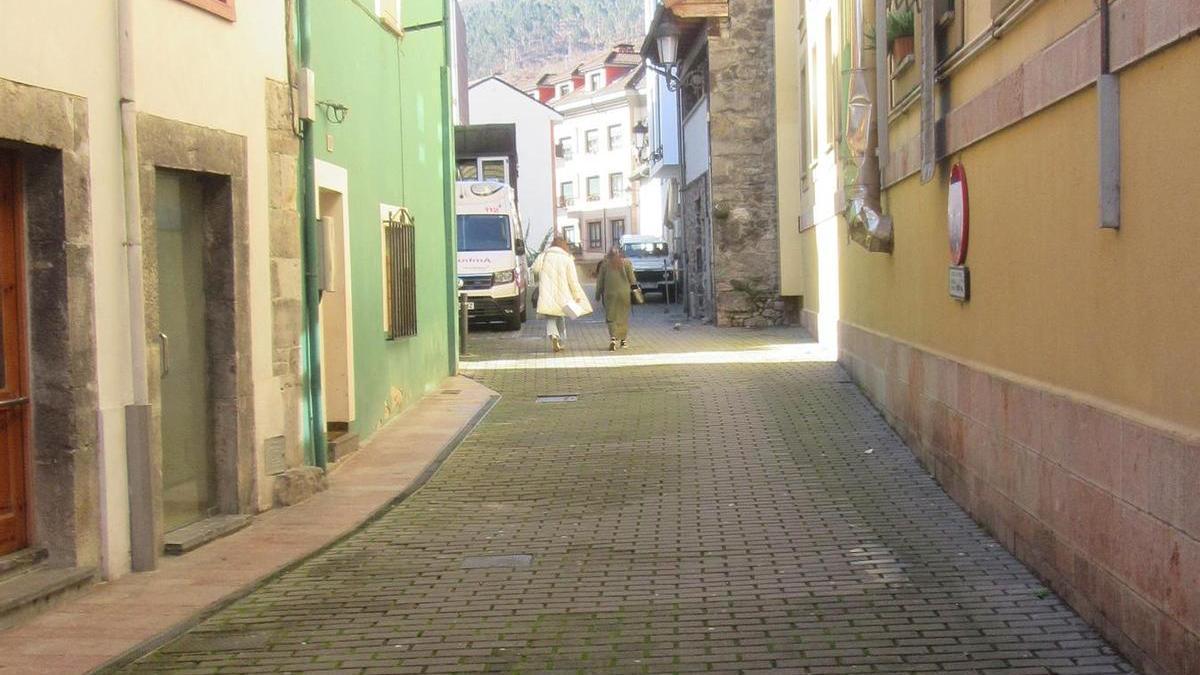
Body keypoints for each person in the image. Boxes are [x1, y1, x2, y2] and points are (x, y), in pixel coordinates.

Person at [531, 235, 591, 352]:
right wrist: (577, 295)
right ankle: (560, 340)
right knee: (561, 316)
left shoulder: (544, 256)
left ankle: (553, 336)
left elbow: (535, 269)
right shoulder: (567, 258)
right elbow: (573, 280)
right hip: (564, 294)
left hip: (547, 292)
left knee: (550, 316)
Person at [595, 244, 636, 351]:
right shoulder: (627, 263)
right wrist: (636, 291)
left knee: (611, 317)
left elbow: (600, 281)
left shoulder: (605, 264)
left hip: (610, 294)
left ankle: (613, 339)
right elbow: (632, 280)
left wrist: (597, 294)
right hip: (624, 294)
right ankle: (623, 342)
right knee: (623, 317)